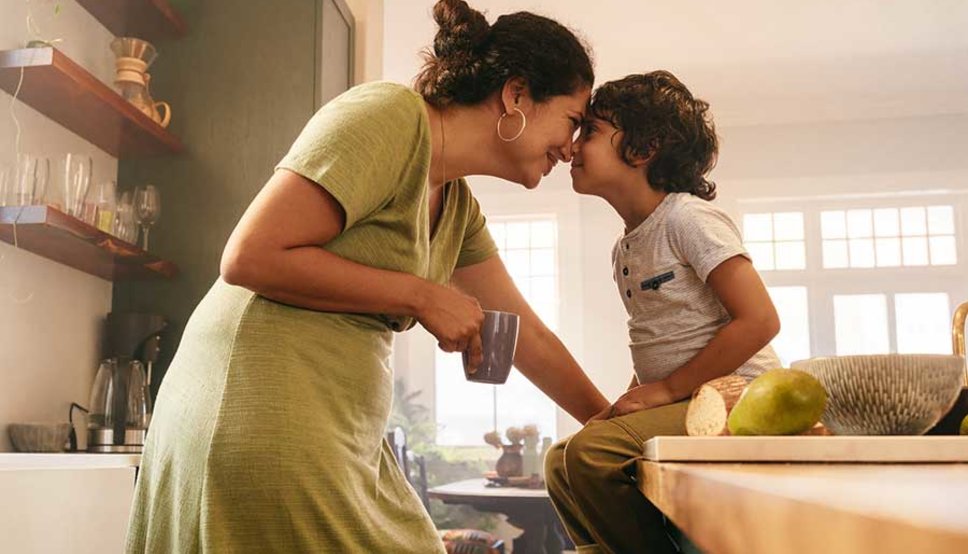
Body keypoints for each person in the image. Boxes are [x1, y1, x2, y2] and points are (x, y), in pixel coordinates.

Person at [125, 1, 609, 552]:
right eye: (571, 121)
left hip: (339, 428)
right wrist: (422, 295)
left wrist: (613, 425)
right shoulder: (390, 116)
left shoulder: (457, 207)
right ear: (516, 94)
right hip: (258, 405)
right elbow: (249, 257)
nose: (570, 149)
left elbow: (531, 336)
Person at [544, 71, 782, 554]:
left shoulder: (687, 218)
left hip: (742, 399)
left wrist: (667, 390)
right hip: (686, 399)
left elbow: (760, 320)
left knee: (593, 455)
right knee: (560, 458)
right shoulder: (626, 249)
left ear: (643, 147)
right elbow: (661, 342)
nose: (571, 148)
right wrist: (631, 398)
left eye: (589, 131)